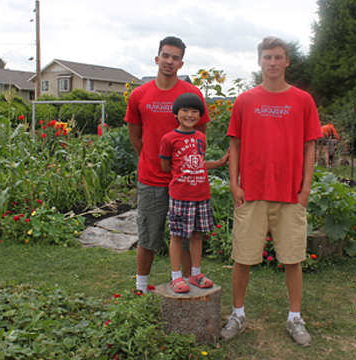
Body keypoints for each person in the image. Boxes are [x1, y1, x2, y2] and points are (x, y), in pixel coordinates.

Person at [221, 36, 322, 347]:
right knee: (243, 257)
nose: (273, 63)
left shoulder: (303, 100)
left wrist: (306, 188)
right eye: (267, 57)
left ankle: (295, 317)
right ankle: (238, 314)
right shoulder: (245, 101)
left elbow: (310, 147)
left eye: (278, 57)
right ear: (259, 61)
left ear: (287, 61)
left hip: (291, 194)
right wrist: (235, 183)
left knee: (293, 259)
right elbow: (234, 145)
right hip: (252, 192)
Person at [125, 36, 211, 294]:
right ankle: (141, 287)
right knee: (149, 235)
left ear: (181, 63)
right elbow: (134, 134)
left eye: (175, 57)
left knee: (186, 238)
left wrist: (182, 167)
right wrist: (155, 161)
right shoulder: (140, 94)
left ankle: (187, 284)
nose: (169, 61)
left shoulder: (192, 94)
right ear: (157, 58)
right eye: (165, 55)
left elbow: (200, 133)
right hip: (151, 179)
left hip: (186, 184)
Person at [159, 93, 229, 293]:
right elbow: (166, 166)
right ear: (176, 114)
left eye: (194, 111)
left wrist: (220, 162)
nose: (189, 115)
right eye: (185, 111)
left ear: (200, 116)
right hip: (181, 195)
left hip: (202, 195)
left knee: (197, 235)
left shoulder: (200, 137)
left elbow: (198, 162)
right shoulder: (169, 138)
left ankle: (195, 274)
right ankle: (176, 277)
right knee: (178, 236)